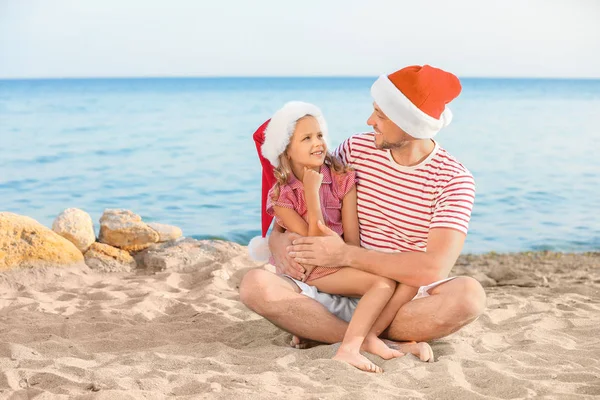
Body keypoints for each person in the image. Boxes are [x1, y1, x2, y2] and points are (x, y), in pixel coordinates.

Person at [240, 65, 486, 366]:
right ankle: (371, 340)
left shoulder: (453, 180)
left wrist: (346, 255)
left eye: (381, 115)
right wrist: (277, 243)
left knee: (468, 297)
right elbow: (298, 196)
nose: (371, 121)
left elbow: (433, 268)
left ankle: (340, 333)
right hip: (337, 284)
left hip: (401, 301)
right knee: (255, 286)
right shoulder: (356, 149)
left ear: (409, 124)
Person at [247, 101, 425, 373]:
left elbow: (351, 241)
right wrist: (310, 192)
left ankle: (364, 339)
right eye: (306, 138)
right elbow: (314, 241)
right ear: (286, 150)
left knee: (400, 282)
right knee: (381, 285)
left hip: (338, 260)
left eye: (319, 135)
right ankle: (353, 346)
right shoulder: (282, 196)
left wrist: (349, 258)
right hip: (310, 267)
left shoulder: (343, 179)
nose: (318, 143)